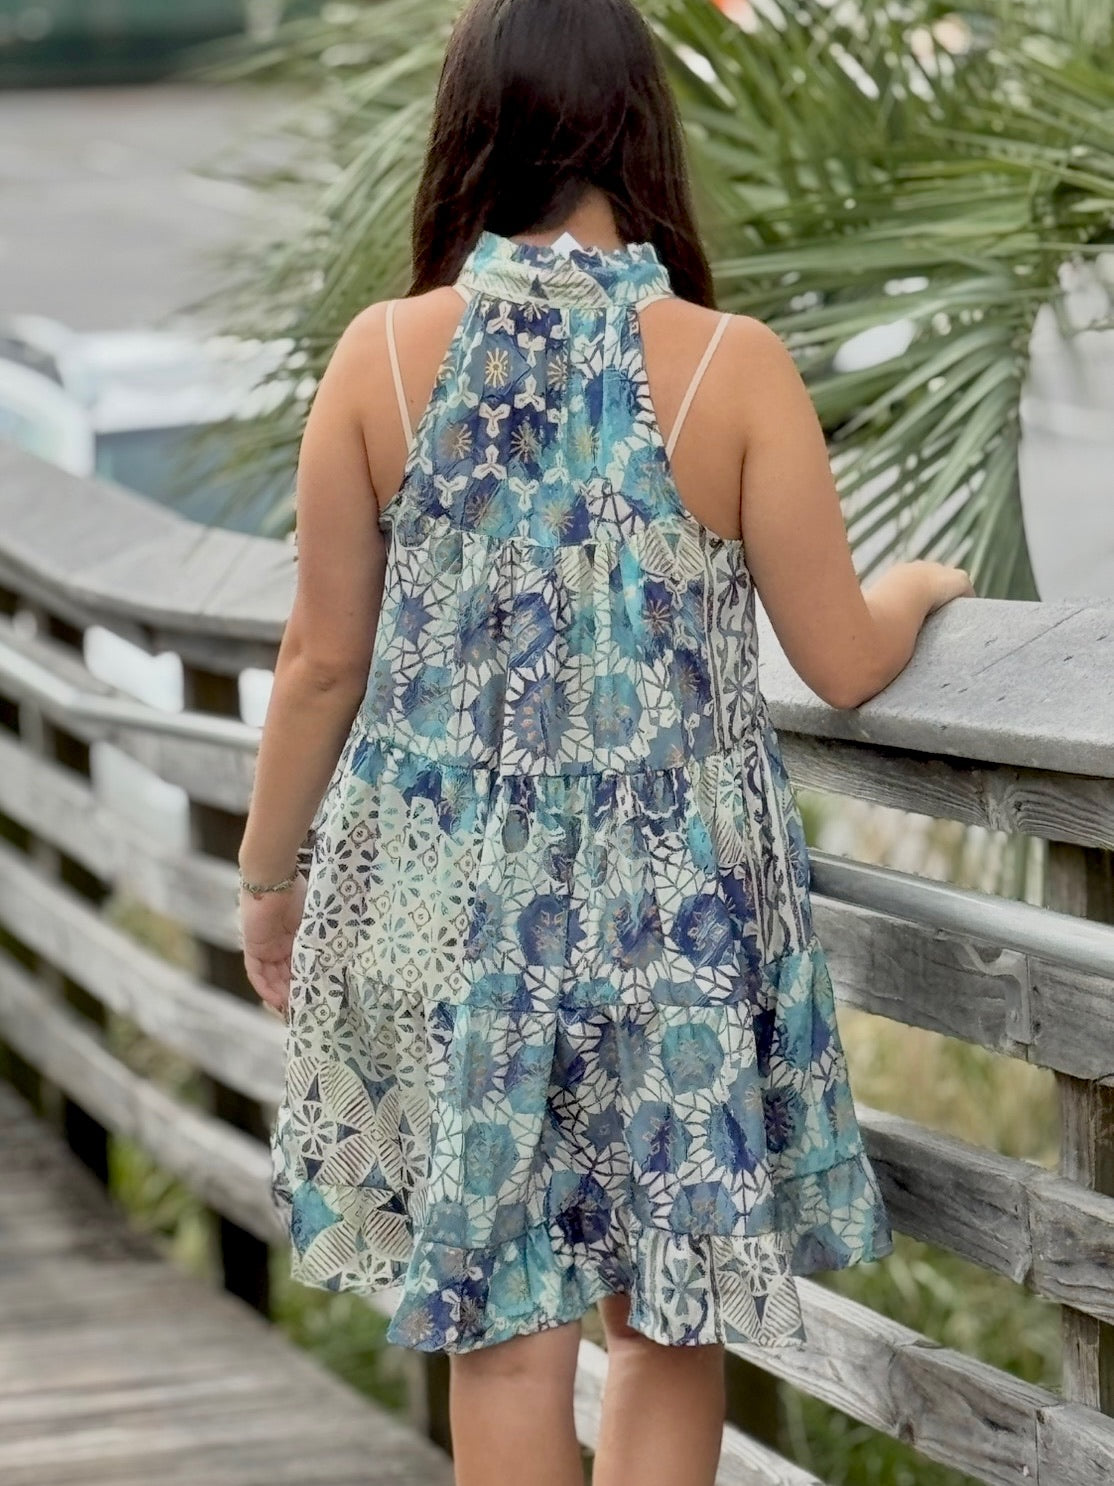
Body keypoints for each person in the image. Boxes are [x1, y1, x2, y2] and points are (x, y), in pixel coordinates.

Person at [236, 1, 975, 1482]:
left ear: (470, 134)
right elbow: (837, 657)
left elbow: (321, 658)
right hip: (671, 917)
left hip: (444, 909)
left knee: (506, 1329)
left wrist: (270, 881)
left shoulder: (381, 362)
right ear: (640, 135)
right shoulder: (726, 365)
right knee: (660, 1317)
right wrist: (915, 587)